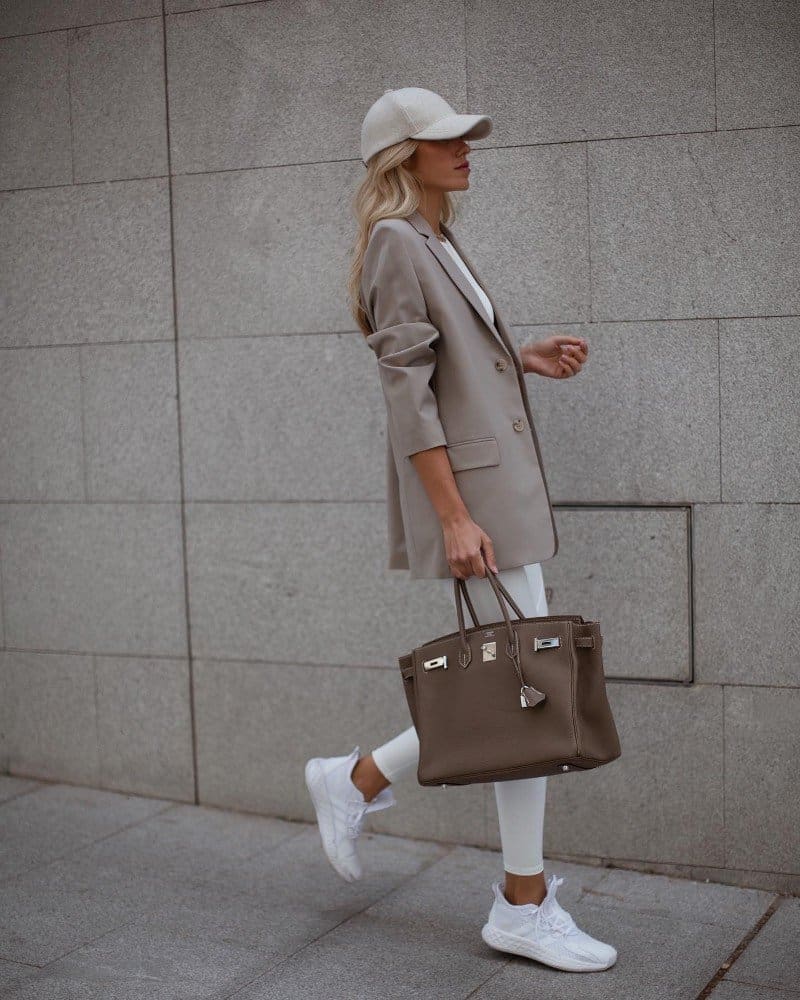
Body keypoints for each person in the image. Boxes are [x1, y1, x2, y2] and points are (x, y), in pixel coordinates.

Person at [305, 87, 617, 973]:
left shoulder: (436, 236)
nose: (465, 148)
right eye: (444, 140)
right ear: (401, 157)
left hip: (500, 492)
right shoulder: (400, 242)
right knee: (528, 689)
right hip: (477, 500)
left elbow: (447, 352)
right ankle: (517, 899)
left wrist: (517, 354)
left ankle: (361, 782)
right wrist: (452, 515)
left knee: (525, 687)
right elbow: (405, 390)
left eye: (464, 136)